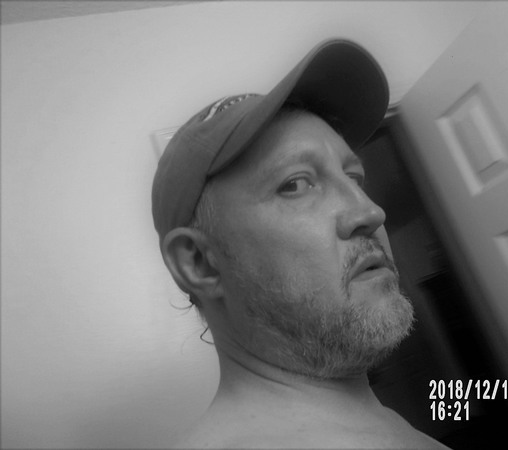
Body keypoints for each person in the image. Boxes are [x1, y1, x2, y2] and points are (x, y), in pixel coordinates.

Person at [152, 39, 448, 449]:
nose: (370, 212)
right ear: (200, 262)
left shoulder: (380, 427)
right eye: (295, 184)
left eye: (354, 177)